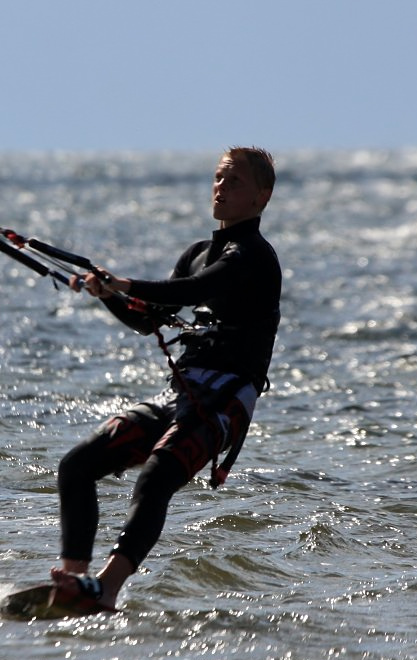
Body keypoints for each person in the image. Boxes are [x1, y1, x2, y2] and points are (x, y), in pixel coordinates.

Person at [50, 146, 281, 611]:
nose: (221, 187)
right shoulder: (197, 252)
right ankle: (73, 581)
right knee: (77, 465)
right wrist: (106, 292)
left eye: (234, 181)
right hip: (183, 395)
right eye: (218, 177)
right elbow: (148, 319)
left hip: (225, 403)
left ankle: (107, 589)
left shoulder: (254, 257)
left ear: (262, 196)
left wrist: (126, 284)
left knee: (156, 477)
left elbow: (198, 291)